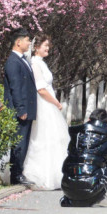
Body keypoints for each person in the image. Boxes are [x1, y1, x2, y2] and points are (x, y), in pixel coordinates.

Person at [22, 35, 71, 190]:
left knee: (55, 138)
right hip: (44, 105)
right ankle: (44, 176)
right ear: (36, 48)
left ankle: (59, 175)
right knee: (44, 138)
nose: (47, 48)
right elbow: (41, 89)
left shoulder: (41, 63)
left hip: (48, 104)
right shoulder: (35, 63)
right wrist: (56, 102)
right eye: (45, 46)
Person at [60, 109, 107, 207]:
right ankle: (98, 197)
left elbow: (69, 152)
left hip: (68, 190)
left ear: (89, 119)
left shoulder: (76, 134)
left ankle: (73, 196)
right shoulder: (106, 136)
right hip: (90, 190)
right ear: (105, 122)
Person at [3, 28, 38, 185]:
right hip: (20, 111)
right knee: (19, 143)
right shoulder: (13, 61)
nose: (29, 42)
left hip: (27, 109)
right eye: (27, 40)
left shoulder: (22, 59)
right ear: (18, 42)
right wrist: (20, 109)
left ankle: (19, 172)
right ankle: (16, 174)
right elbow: (15, 88)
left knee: (23, 142)